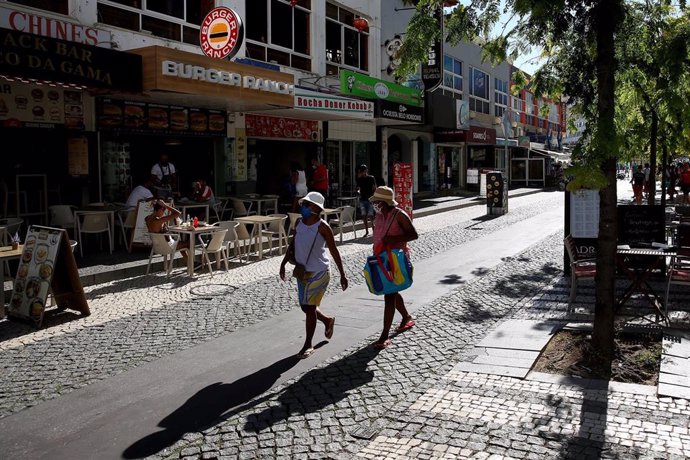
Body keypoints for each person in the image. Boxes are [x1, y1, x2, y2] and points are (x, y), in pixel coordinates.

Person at [279, 191, 348, 359]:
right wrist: (283, 263)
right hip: (303, 271)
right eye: (304, 204)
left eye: (307, 205)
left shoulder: (323, 227)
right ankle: (326, 320)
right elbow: (293, 244)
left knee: (309, 307)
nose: (303, 207)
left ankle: (308, 344)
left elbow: (333, 250)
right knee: (305, 306)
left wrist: (342, 274)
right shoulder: (299, 222)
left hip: (320, 272)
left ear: (316, 208)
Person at [369, 186, 418, 349]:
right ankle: (406, 317)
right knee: (392, 291)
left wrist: (393, 239)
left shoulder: (399, 215)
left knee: (389, 294)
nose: (374, 203)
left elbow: (413, 234)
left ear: (384, 202)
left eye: (376, 201)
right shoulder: (379, 215)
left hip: (395, 261)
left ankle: (384, 336)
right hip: (382, 258)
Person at [355, 164, 377, 236]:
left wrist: (374, 197)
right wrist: (358, 191)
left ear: (366, 171)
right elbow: (358, 187)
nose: (363, 173)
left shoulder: (371, 178)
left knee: (371, 216)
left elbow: (374, 187)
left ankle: (374, 230)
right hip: (362, 199)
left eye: (364, 171)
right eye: (361, 172)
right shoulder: (360, 179)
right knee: (364, 216)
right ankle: (367, 231)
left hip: (370, 199)